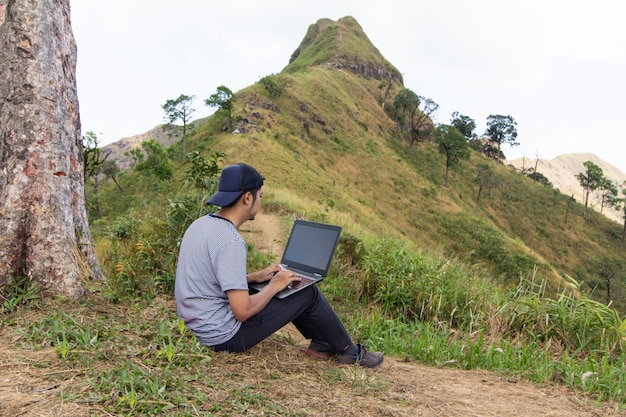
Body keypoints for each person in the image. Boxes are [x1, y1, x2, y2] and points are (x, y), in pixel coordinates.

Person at [174, 163, 383, 368]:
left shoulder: (201, 224)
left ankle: (323, 344)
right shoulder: (231, 241)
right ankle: (352, 353)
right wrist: (275, 285)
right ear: (248, 198)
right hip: (222, 337)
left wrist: (253, 277)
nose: (260, 201)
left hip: (195, 325)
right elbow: (242, 311)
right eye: (260, 196)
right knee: (306, 292)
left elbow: (207, 275)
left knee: (288, 285)